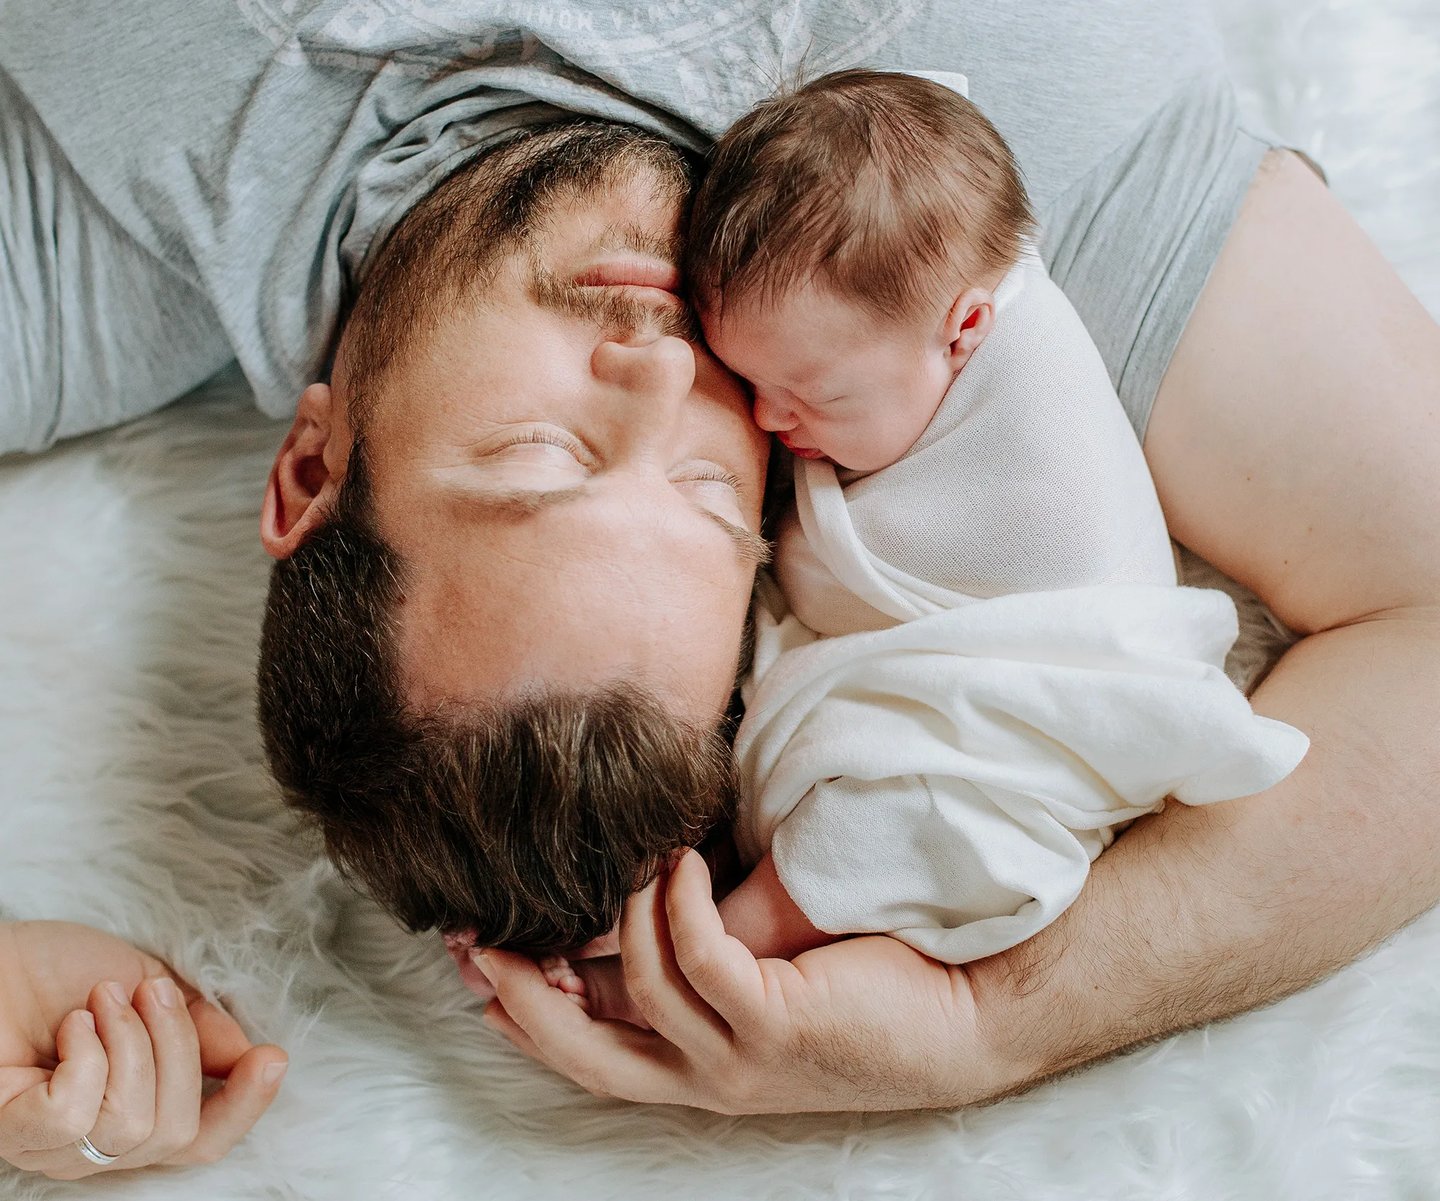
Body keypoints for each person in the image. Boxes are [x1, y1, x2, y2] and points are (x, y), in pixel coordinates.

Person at [0, 0, 1436, 1177]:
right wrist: (989, 1023)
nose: (666, 368)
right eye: (702, 488)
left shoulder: (127, 199)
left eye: (538, 454)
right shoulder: (952, 209)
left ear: (310, 470)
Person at [537, 68, 1310, 1024]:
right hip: (932, 669)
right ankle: (670, 885)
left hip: (1051, 709)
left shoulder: (1030, 420)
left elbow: (1066, 637)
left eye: (815, 396)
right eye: (748, 378)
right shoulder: (888, 305)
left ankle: (713, 955)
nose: (770, 418)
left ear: (967, 329)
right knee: (764, 720)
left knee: (896, 826)